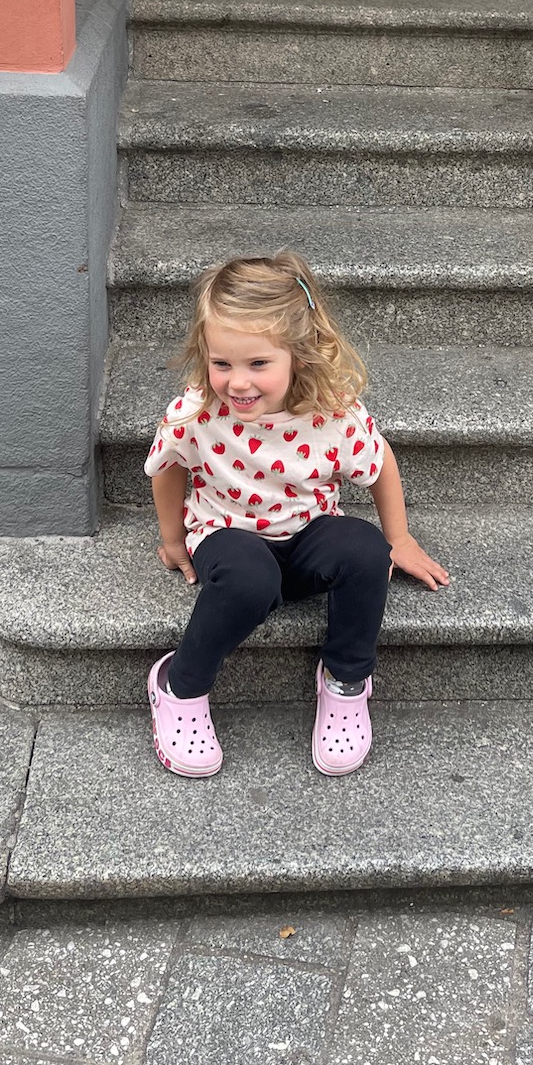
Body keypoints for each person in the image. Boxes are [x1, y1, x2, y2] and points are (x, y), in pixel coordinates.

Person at [144, 250, 448, 779]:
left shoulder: (332, 414)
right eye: (223, 363)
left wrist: (398, 537)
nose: (237, 382)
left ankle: (346, 682)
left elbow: (380, 465)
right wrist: (173, 538)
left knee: (364, 549)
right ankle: (180, 687)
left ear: (299, 357)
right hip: (225, 533)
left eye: (258, 363)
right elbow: (167, 466)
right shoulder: (198, 412)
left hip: (307, 535)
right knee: (248, 578)